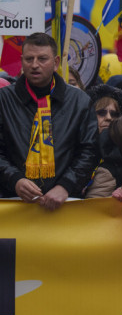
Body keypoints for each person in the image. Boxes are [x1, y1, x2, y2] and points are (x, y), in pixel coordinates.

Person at [0, 33, 98, 207]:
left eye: (42, 59)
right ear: (21, 61)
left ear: (56, 62)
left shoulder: (79, 101)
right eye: (29, 59)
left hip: (65, 204)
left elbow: (89, 151)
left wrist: (66, 185)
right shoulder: (4, 99)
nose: (34, 65)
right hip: (13, 203)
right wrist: (15, 179)